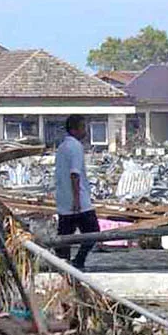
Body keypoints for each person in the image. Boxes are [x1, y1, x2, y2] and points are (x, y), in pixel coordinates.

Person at [54, 114, 100, 270]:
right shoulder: (75, 147)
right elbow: (74, 174)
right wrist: (77, 200)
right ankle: (78, 261)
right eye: (82, 127)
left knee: (64, 237)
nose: (85, 131)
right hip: (78, 200)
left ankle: (63, 265)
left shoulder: (62, 147)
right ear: (74, 129)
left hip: (63, 200)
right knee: (93, 232)